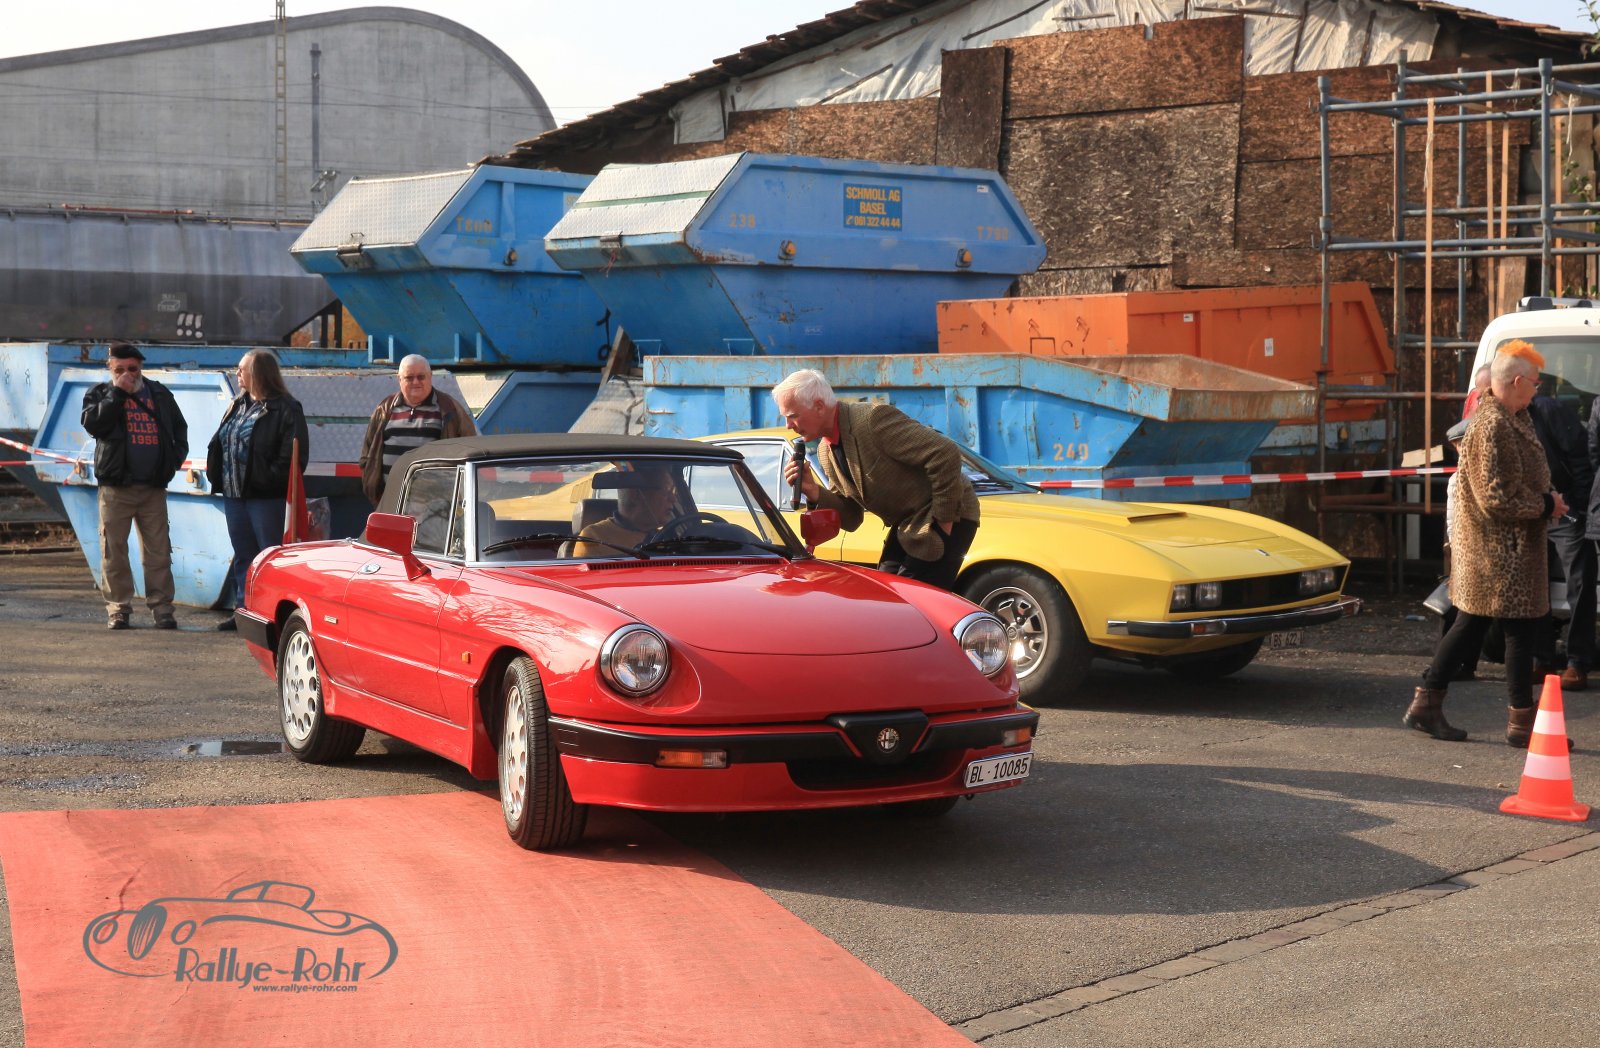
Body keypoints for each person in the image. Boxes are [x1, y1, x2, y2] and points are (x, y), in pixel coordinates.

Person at [1409, 340, 1568, 747]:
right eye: (1535, 383)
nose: (1537, 390)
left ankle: (1437, 704)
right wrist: (1545, 504)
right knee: (1498, 629)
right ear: (1516, 382)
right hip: (1497, 553)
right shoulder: (1491, 425)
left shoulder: (1514, 418)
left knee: (1490, 628)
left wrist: (1548, 499)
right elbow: (1495, 497)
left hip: (1509, 551)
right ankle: (1516, 722)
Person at [774, 369, 979, 592]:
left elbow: (945, 452)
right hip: (909, 524)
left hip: (948, 512)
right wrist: (813, 490)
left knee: (913, 599)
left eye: (792, 416)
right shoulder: (825, 450)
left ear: (819, 406)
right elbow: (851, 519)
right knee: (885, 594)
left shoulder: (871, 420)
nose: (788, 425)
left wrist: (944, 522)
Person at [80, 342, 189, 630]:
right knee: (113, 551)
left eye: (132, 368)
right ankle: (118, 609)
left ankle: (162, 609)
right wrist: (118, 393)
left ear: (141, 367)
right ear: (110, 369)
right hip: (116, 488)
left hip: (153, 487)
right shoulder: (100, 394)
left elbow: (180, 429)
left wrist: (172, 462)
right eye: (120, 370)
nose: (127, 374)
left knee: (159, 552)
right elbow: (94, 425)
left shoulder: (159, 394)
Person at [206, 349, 309, 630]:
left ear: (260, 373)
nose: (237, 373)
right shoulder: (238, 404)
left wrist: (266, 480)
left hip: (266, 498)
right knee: (244, 555)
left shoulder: (286, 408)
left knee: (270, 557)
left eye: (243, 368)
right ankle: (244, 611)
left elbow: (294, 457)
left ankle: (272, 615)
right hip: (234, 495)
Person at [1528, 388, 1594, 690]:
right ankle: (1541, 658)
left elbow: (1582, 454)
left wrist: (1577, 504)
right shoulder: (1502, 415)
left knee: (1579, 584)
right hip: (1533, 510)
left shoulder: (1546, 410)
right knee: (1534, 585)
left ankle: (1577, 661)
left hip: (1566, 509)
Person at [359, 354, 475, 506]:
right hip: (390, 501)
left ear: (430, 377)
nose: (416, 382)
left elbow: (470, 449)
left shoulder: (449, 408)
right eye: (409, 377)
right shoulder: (384, 409)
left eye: (421, 377)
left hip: (435, 506)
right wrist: (375, 490)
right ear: (399, 379)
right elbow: (367, 454)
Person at [569, 467, 677, 556]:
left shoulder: (669, 537)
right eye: (666, 491)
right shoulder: (594, 539)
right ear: (635, 495)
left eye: (673, 491)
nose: (673, 499)